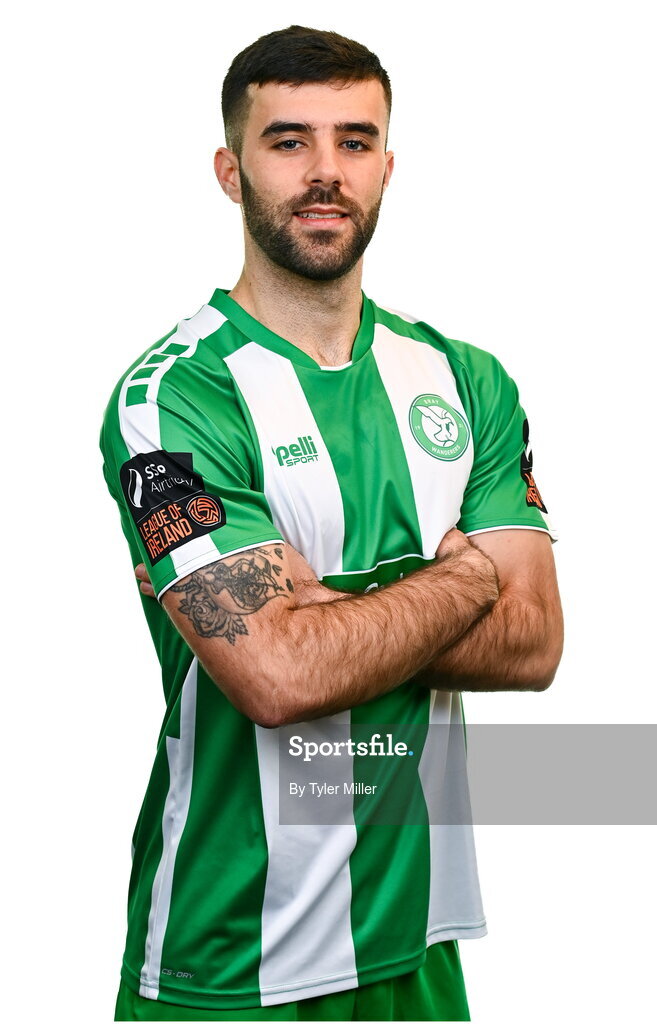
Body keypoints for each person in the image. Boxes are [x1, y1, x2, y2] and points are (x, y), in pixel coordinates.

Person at [100, 24, 563, 1023]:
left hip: (417, 946)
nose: (325, 172)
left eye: (355, 142)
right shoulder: (174, 400)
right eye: (288, 141)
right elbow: (277, 677)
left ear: (389, 165)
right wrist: (462, 577)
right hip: (228, 963)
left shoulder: (465, 382)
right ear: (231, 169)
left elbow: (534, 643)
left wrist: (324, 604)